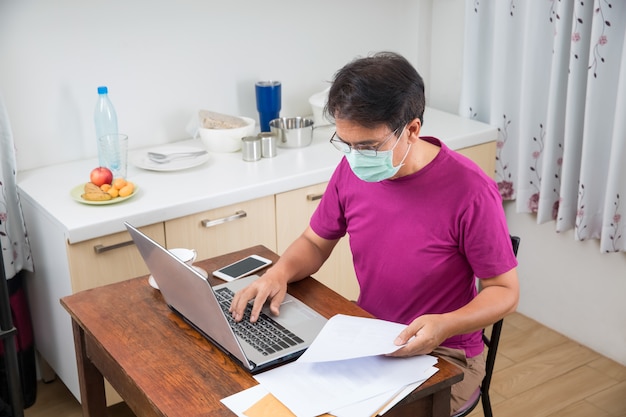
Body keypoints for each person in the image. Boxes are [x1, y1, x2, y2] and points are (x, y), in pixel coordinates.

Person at [230, 51, 519, 414]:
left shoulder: (470, 191)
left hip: (444, 352)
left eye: (367, 147)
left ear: (411, 130)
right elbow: (314, 242)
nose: (355, 157)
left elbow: (504, 290)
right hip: (367, 336)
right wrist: (278, 274)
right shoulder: (352, 170)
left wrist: (446, 325)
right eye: (346, 144)